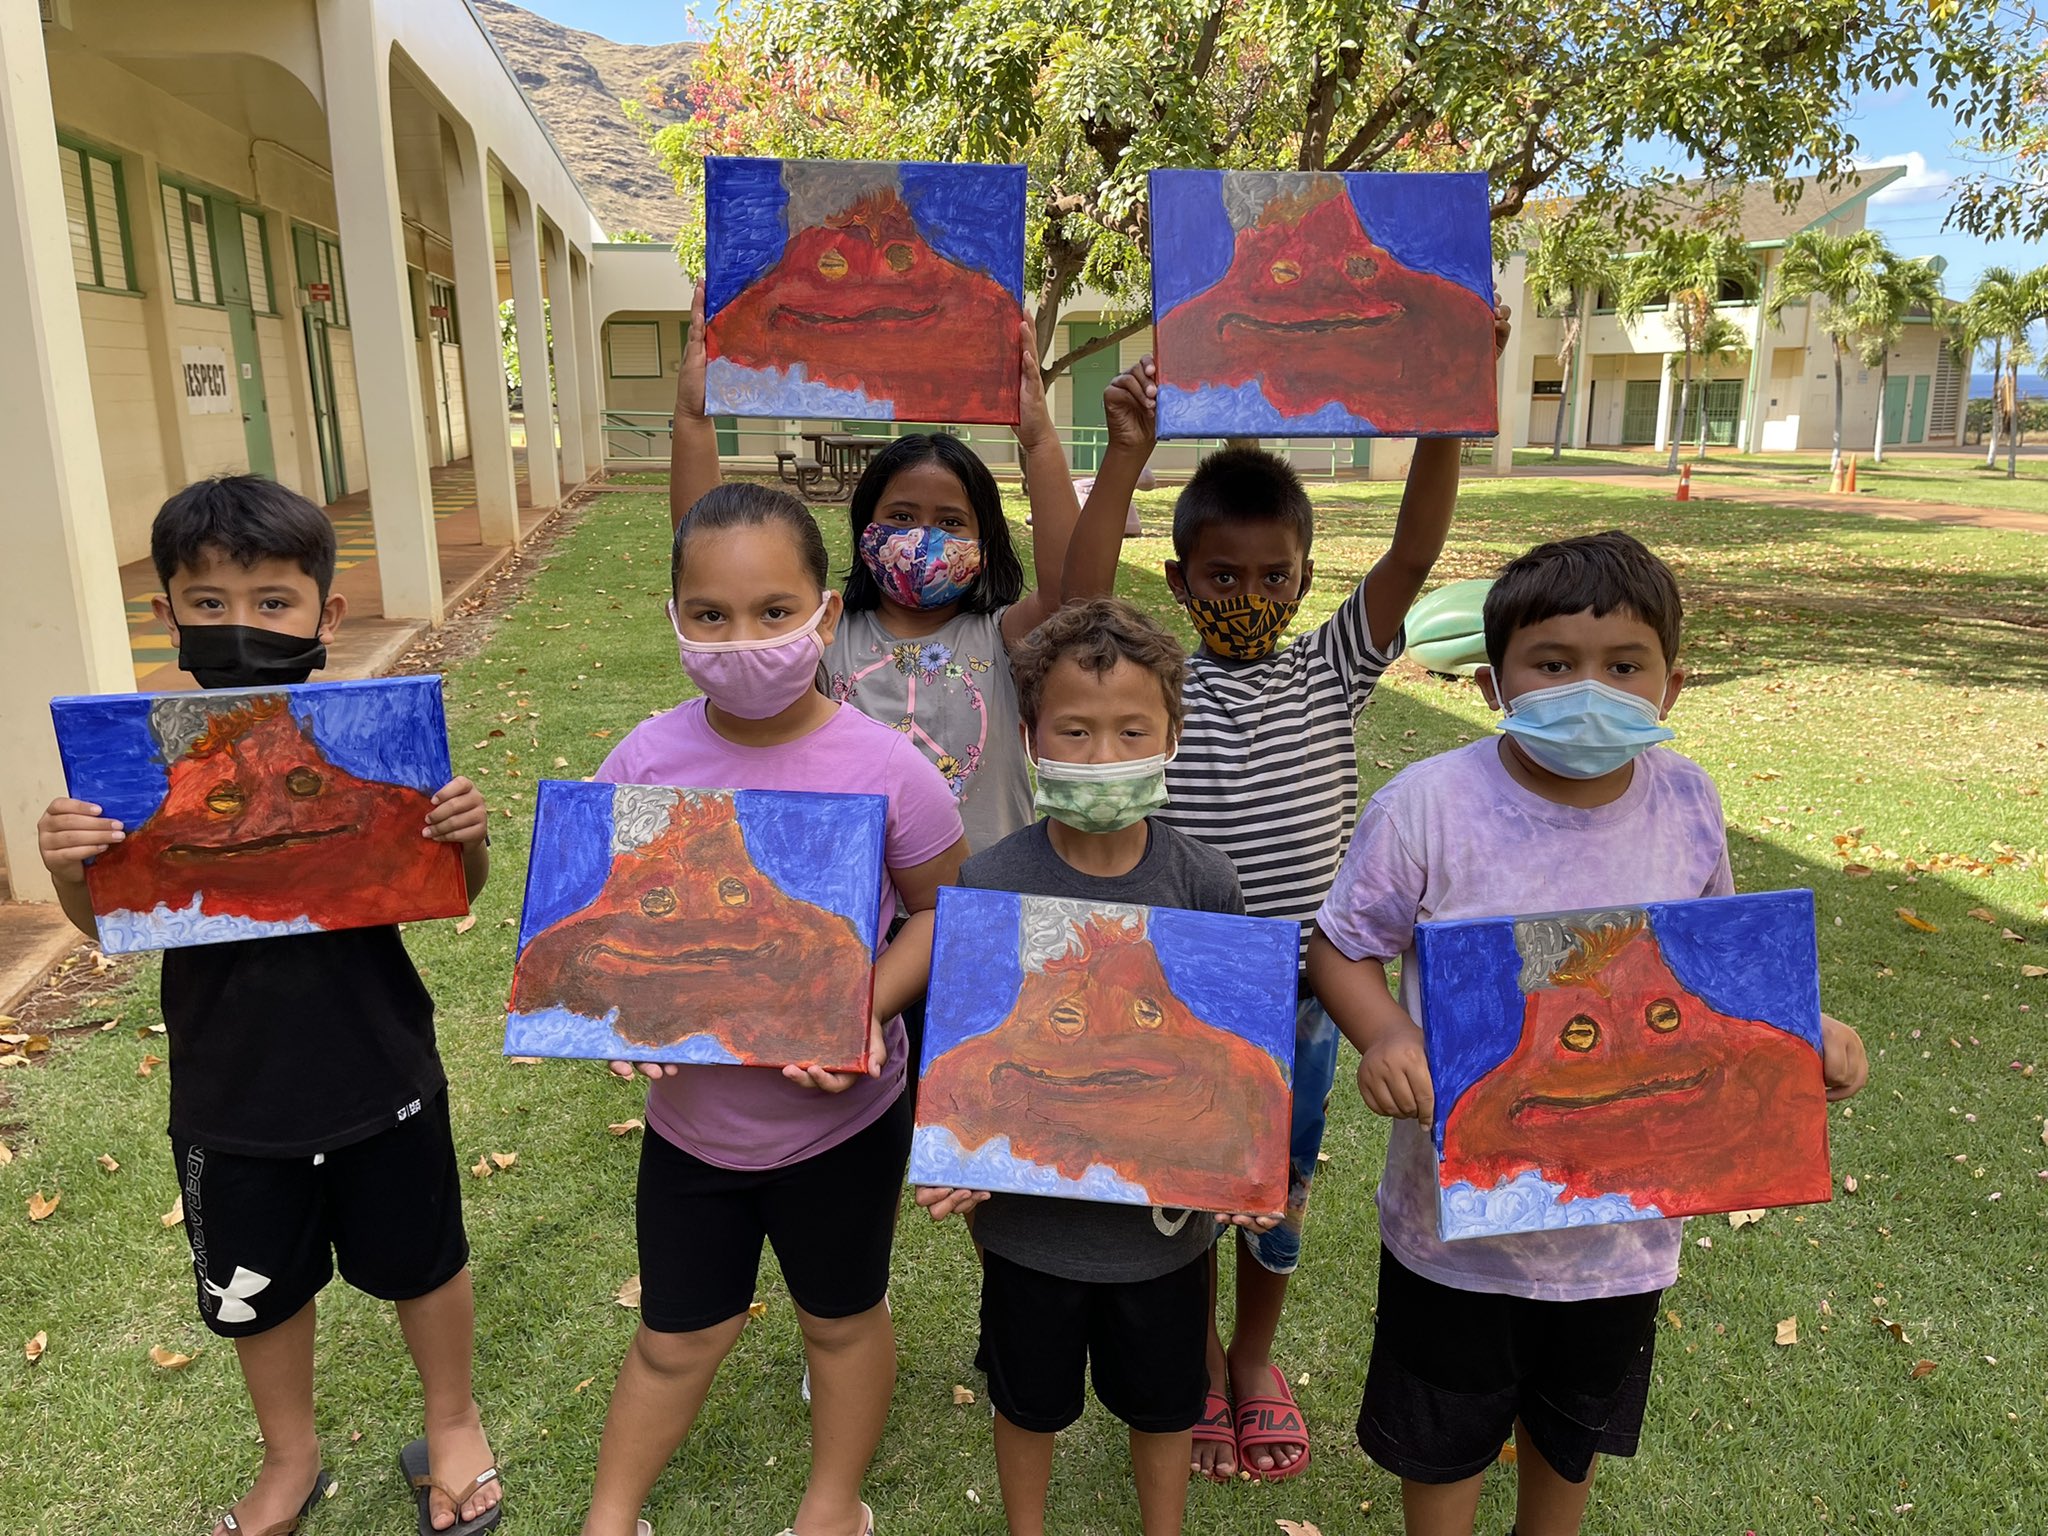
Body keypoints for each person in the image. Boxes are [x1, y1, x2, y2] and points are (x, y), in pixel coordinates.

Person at [1305, 530, 1870, 1536]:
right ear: (1491, 683)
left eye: (1622, 666)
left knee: (1569, 1433)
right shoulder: (1427, 807)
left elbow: (1708, 966)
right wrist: (1384, 1031)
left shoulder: (1686, 801)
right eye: (1552, 664)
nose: (1586, 688)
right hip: (1456, 1234)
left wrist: (1800, 1031)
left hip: (1621, 1235)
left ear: (1671, 684)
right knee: (1443, 1433)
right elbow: (1339, 946)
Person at [35, 476, 500, 1536]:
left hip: (381, 1065)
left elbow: (448, 894)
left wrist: (462, 839)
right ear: (166, 615)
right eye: (208, 605)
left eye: (272, 602)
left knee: (423, 1259)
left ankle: (455, 1420)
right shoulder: (132, 774)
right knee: (256, 1287)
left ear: (325, 615)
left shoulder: (370, 751)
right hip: (228, 1092)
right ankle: (289, 1459)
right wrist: (70, 865)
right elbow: (113, 923)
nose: (240, 626)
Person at [1103, 311, 1509, 1483]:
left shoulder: (1329, 663)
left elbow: (1414, 558)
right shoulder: (1152, 676)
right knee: (1178, 1186)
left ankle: (1249, 1360)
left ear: (1303, 577)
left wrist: (1443, 401)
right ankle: (1185, 1356)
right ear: (1177, 581)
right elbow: (1080, 593)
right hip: (1177, 993)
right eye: (1220, 575)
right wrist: (1126, 451)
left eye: (1272, 574)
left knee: (1279, 1191)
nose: (1247, 592)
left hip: (1306, 999)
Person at [579, 482, 967, 1536]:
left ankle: (830, 1506)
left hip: (839, 1121)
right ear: (674, 617)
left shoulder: (892, 771)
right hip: (694, 1131)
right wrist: (617, 1013)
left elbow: (941, 915)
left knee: (839, 1321)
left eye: (772, 611)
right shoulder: (641, 763)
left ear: (824, 616)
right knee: (673, 1333)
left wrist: (857, 1008)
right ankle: (609, 1517)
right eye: (710, 615)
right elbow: (605, 924)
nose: (740, 638)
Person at [915, 597, 1281, 1536]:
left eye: (1131, 730)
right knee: (1026, 1399)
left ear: (1173, 735)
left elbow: (1234, 1046)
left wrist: (1247, 1160)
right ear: (1032, 738)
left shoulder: (1205, 882)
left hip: (1165, 1242)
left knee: (1164, 1403)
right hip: (1027, 1235)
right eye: (1075, 731)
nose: (1104, 754)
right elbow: (971, 1052)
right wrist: (955, 1153)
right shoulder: (990, 881)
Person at [668, 286, 1141, 858]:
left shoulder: (1004, 638)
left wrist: (1038, 439)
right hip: (859, 893)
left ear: (986, 542)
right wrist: (694, 418)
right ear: (865, 527)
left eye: (950, 521)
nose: (922, 538)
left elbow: (1078, 597)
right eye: (900, 516)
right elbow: (713, 560)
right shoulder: (824, 636)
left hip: (982, 894)